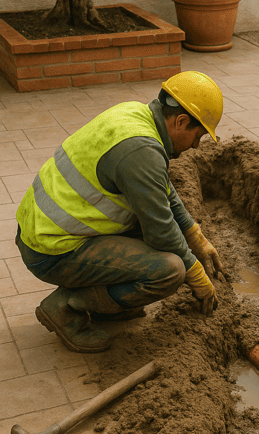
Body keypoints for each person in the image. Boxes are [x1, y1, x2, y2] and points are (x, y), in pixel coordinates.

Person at [15, 71, 224, 354]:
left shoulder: (136, 115)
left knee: (163, 240)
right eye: (197, 136)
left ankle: (106, 303)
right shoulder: (140, 151)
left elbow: (160, 187)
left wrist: (192, 233)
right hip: (51, 251)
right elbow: (161, 231)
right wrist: (195, 273)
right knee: (170, 270)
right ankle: (65, 308)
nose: (196, 146)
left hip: (44, 230)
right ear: (181, 121)